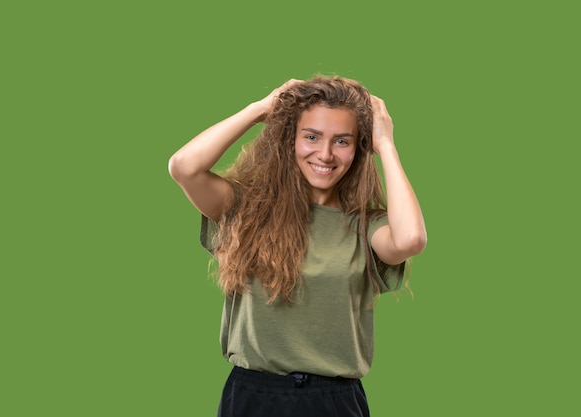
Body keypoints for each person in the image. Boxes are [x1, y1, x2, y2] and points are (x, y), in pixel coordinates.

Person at [168, 75, 427, 417]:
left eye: (342, 141)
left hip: (335, 400)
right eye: (311, 136)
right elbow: (184, 167)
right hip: (253, 395)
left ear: (359, 147)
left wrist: (386, 145)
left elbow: (410, 239)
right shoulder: (246, 209)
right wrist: (258, 109)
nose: (325, 154)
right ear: (290, 139)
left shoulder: (366, 225)